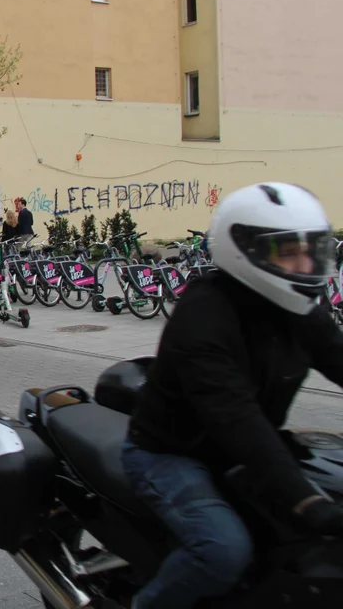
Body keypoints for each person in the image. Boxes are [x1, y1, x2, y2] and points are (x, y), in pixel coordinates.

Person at [122, 183, 343, 609]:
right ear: (246, 252)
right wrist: (306, 500)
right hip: (171, 455)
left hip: (245, 452)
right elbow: (236, 418)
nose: (305, 263)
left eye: (311, 250)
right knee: (223, 551)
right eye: (288, 252)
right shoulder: (204, 317)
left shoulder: (301, 312)